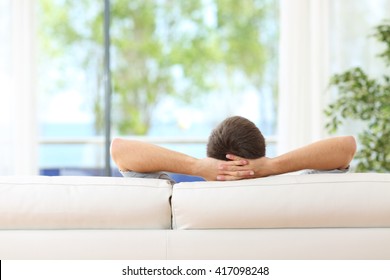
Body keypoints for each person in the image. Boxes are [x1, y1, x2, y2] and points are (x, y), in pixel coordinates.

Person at [110, 116, 356, 182]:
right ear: (261, 154)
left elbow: (120, 150)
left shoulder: (178, 201)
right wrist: (272, 166)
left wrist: (195, 166)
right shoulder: (294, 196)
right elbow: (346, 147)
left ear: (210, 158)